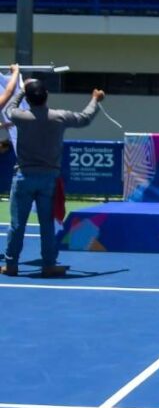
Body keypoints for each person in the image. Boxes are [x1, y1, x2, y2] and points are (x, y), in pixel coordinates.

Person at [2, 70, 105, 277]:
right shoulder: (59, 117)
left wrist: (22, 89)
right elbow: (85, 118)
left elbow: (10, 105)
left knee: (16, 225)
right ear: (46, 96)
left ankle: (11, 265)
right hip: (49, 178)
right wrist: (95, 99)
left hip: (23, 177)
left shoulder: (20, 116)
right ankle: (49, 264)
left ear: (28, 99)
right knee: (47, 224)